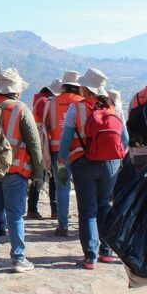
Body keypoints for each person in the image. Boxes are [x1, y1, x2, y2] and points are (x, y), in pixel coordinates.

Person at [0, 68, 44, 273]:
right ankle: (18, 258)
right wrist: (39, 174)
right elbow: (34, 144)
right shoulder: (20, 109)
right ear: (15, 90)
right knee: (15, 215)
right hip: (14, 170)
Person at [58, 68, 124, 269]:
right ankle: (106, 251)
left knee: (88, 209)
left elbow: (66, 140)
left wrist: (62, 164)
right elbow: (126, 139)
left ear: (84, 88)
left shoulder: (75, 109)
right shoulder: (114, 107)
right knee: (105, 204)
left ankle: (90, 255)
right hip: (111, 163)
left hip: (83, 162)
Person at [41, 70, 85, 236]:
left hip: (58, 153)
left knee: (62, 187)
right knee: (83, 188)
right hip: (79, 153)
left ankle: (63, 225)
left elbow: (45, 128)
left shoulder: (51, 102)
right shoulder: (83, 102)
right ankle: (84, 223)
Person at [26, 79, 61, 221]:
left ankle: (34, 209)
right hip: (45, 143)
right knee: (48, 176)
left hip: (40, 142)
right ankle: (51, 209)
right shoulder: (46, 102)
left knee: (41, 174)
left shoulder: (39, 100)